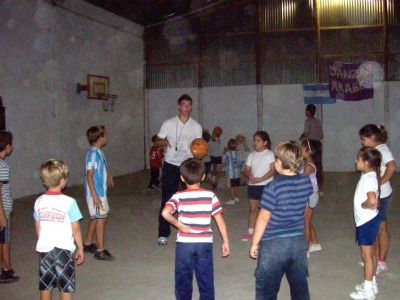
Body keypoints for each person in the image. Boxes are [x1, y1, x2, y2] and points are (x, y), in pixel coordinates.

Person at [250, 141, 313, 300]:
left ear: (279, 163)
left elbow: (263, 218)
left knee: (266, 289)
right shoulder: (306, 182)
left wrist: (255, 243)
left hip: (273, 244)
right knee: (300, 288)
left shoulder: (273, 187)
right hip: (298, 242)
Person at [161, 158, 229, 300]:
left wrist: (178, 225)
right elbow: (220, 221)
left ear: (181, 178)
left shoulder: (178, 196)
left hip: (185, 244)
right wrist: (225, 242)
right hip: (204, 243)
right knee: (205, 278)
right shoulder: (210, 195)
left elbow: (165, 213)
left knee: (183, 278)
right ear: (203, 177)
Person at [33, 159, 84, 300]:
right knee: (66, 286)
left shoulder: (38, 202)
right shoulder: (69, 202)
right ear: (63, 180)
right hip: (64, 251)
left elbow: (38, 228)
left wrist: (43, 240)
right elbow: (76, 229)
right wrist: (80, 248)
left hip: (45, 250)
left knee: (46, 285)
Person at [155, 94, 202, 245]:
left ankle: (190, 228)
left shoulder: (196, 127)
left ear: (191, 107)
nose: (186, 108)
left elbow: (199, 148)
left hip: (187, 165)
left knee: (190, 199)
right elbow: (157, 141)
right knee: (167, 199)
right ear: (178, 106)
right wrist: (162, 141)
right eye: (183, 104)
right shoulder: (168, 123)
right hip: (170, 165)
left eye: (189, 105)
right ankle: (163, 234)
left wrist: (199, 159)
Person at [359, 124, 396, 275]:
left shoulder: (383, 149)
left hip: (383, 195)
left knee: (381, 229)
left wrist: (380, 182)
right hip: (378, 195)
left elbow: (392, 167)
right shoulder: (376, 150)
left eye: (363, 139)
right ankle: (373, 258)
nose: (362, 142)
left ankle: (381, 262)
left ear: (372, 137)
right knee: (376, 228)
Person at [350, 147, 382, 300]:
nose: (356, 161)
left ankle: (368, 290)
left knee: (366, 256)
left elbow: (372, 200)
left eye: (359, 159)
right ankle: (372, 283)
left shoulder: (368, 179)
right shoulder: (370, 175)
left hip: (366, 221)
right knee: (372, 254)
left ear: (367, 162)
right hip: (371, 220)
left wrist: (363, 205)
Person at [83, 126, 115, 261]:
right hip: (96, 193)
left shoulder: (98, 152)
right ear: (100, 138)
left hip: (100, 191)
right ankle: (100, 250)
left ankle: (88, 243)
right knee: (101, 219)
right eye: (104, 135)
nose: (106, 137)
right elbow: (89, 175)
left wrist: (108, 174)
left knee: (97, 218)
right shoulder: (93, 154)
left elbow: (99, 169)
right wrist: (95, 195)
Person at [242, 131, 275, 242]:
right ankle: (250, 231)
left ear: (265, 142)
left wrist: (260, 179)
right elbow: (247, 169)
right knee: (253, 209)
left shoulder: (270, 154)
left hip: (266, 186)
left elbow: (272, 170)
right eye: (254, 140)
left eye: (258, 141)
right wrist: (250, 176)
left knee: (266, 210)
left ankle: (267, 232)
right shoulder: (251, 155)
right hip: (253, 186)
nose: (255, 143)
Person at [0, 131, 19, 284]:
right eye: (11, 143)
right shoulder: (2, 166)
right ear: (7, 146)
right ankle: (6, 269)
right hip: (3, 208)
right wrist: (2, 214)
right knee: (5, 240)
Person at [300, 139, 323, 257]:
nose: (300, 150)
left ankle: (306, 250)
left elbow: (301, 180)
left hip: (309, 195)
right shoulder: (308, 163)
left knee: (305, 223)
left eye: (302, 148)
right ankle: (315, 243)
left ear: (309, 151)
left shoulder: (309, 166)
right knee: (307, 220)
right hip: (310, 195)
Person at [299, 104, 324, 193]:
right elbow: (321, 135)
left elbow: (306, 133)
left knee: (308, 163)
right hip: (317, 144)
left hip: (310, 143)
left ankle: (307, 184)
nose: (305, 112)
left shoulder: (308, 121)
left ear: (308, 111)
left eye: (306, 110)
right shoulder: (317, 121)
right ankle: (319, 187)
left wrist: (301, 137)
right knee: (318, 164)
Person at [220, 138, 243, 205]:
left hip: (231, 174)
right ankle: (236, 197)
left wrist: (221, 166)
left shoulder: (228, 154)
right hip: (237, 174)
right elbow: (239, 162)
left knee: (231, 187)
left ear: (228, 146)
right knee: (236, 186)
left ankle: (232, 199)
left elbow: (226, 162)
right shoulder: (237, 153)